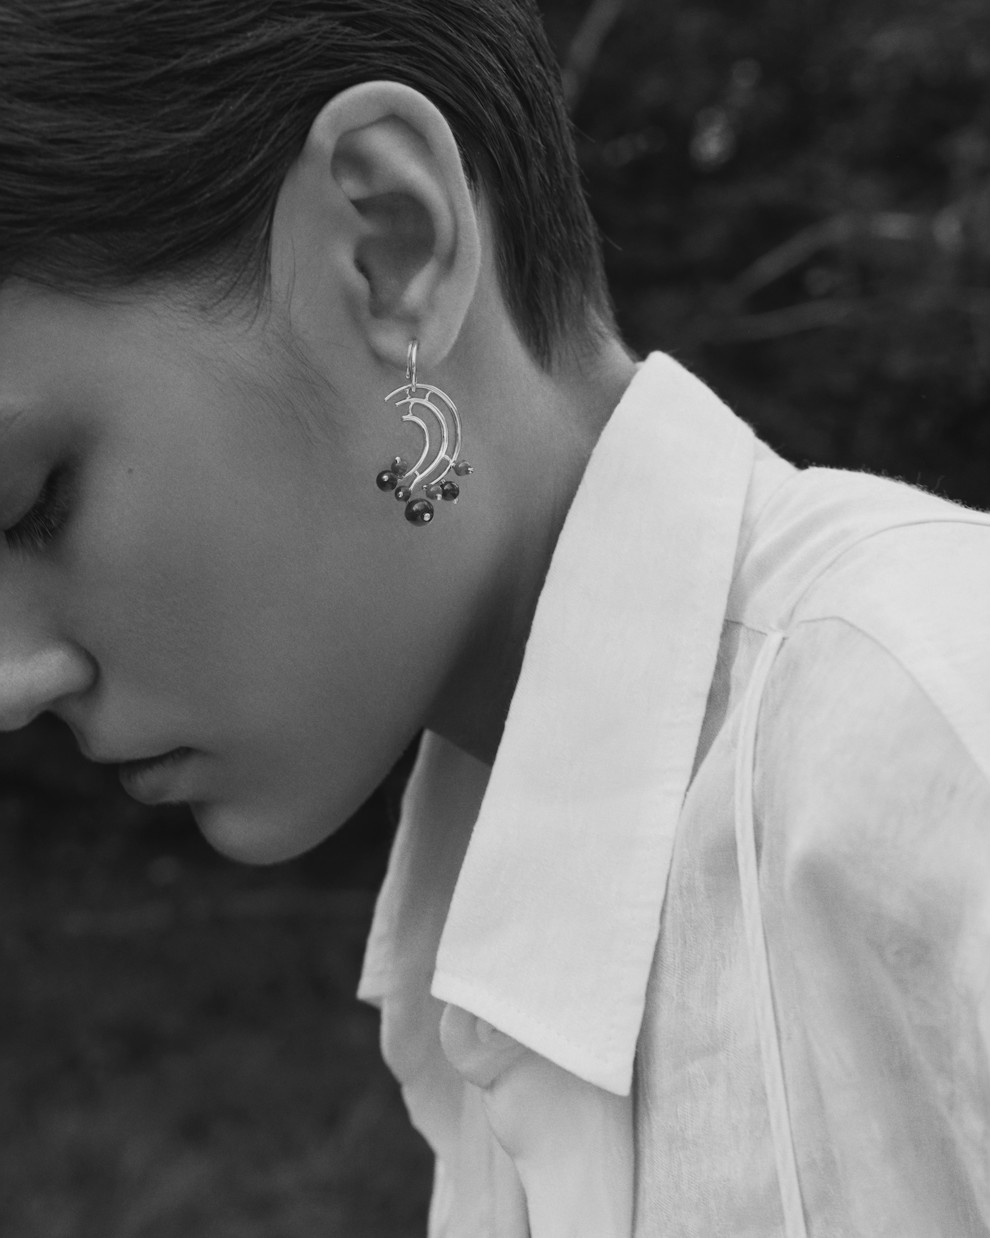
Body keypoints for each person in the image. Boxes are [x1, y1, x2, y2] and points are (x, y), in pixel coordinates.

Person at [1, 1, 988, 1234]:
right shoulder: (488, 950)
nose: (12, 681)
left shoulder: (926, 730)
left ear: (388, 244)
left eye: (32, 504)